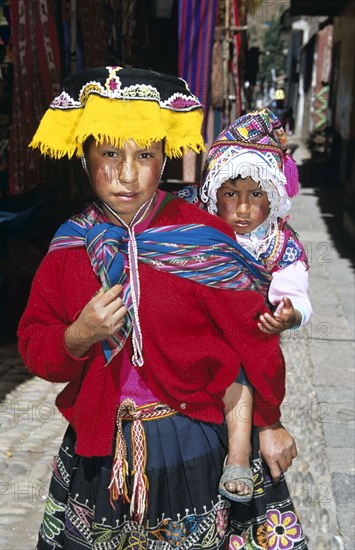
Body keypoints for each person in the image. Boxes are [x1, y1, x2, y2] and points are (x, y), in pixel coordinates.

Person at [18, 68, 307, 549]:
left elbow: (254, 338)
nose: (127, 174)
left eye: (145, 155)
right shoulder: (69, 248)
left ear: (164, 157)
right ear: (85, 158)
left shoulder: (203, 239)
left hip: (193, 444)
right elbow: (35, 347)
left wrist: (270, 422)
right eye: (110, 153)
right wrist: (78, 335)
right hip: (99, 450)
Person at [200, 108, 312, 503]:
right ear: (214, 193)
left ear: (274, 197)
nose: (242, 208)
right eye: (231, 194)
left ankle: (239, 452)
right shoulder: (198, 233)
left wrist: (289, 314)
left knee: (241, 364)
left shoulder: (280, 246)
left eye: (255, 195)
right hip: (196, 340)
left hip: (247, 347)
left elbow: (293, 291)